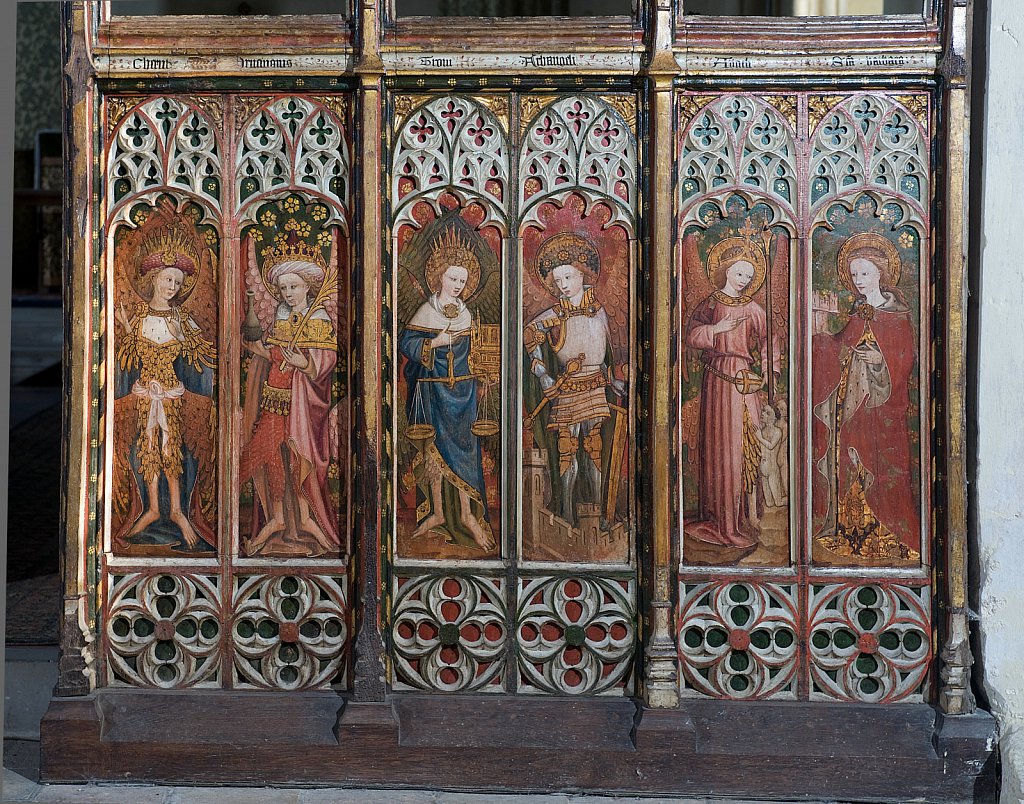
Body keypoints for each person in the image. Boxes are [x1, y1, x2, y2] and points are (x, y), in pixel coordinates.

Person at [811, 232, 920, 561]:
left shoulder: (897, 313)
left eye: (865, 273)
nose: (859, 280)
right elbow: (837, 349)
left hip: (882, 405)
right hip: (851, 404)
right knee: (851, 461)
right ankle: (850, 533)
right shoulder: (857, 314)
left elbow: (905, 358)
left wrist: (881, 362)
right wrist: (818, 333)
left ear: (881, 273)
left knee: (880, 465)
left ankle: (889, 536)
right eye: (854, 274)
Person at [114, 224, 216, 552]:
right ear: (154, 278)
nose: (172, 286)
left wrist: (186, 337)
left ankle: (177, 510)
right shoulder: (140, 318)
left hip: (171, 394)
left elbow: (202, 356)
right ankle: (153, 509)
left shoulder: (182, 319)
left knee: (172, 451)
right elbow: (125, 357)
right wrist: (124, 328)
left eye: (177, 282)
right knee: (148, 451)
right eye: (167, 279)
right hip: (145, 395)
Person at [399, 228, 496, 552]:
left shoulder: (467, 314)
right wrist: (434, 343)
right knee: (433, 453)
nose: (458, 286)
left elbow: (475, 353)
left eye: (462, 281)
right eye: (453, 279)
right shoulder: (427, 311)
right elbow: (407, 343)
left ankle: (468, 516)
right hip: (432, 392)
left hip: (463, 395)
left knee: (465, 453)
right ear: (439, 277)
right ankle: (439, 512)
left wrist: (483, 374)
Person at [241, 242, 339, 557]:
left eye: (293, 286)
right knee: (272, 469)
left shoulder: (320, 317)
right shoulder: (283, 316)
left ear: (308, 287)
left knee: (296, 470)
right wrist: (257, 347)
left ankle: (318, 536)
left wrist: (305, 364)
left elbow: (325, 362)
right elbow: (273, 353)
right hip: (273, 406)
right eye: (283, 288)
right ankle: (281, 528)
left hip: (298, 412)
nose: (288, 293)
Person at [523, 233, 626, 527]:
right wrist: (543, 374)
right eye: (558, 281)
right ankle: (566, 515)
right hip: (567, 390)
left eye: (567, 278)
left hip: (595, 387)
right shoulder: (554, 313)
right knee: (567, 451)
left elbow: (608, 351)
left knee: (593, 448)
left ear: (582, 274)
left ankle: (599, 513)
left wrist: (613, 379)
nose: (563, 285)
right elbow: (530, 335)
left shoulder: (600, 311)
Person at [684, 237, 775, 550]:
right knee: (721, 448)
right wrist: (718, 330)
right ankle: (722, 521)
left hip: (745, 382)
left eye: (749, 276)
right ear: (725, 271)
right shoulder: (711, 304)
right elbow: (692, 336)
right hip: (718, 380)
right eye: (739, 273)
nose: (744, 280)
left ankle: (746, 518)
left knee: (747, 444)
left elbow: (769, 342)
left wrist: (769, 373)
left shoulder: (754, 308)